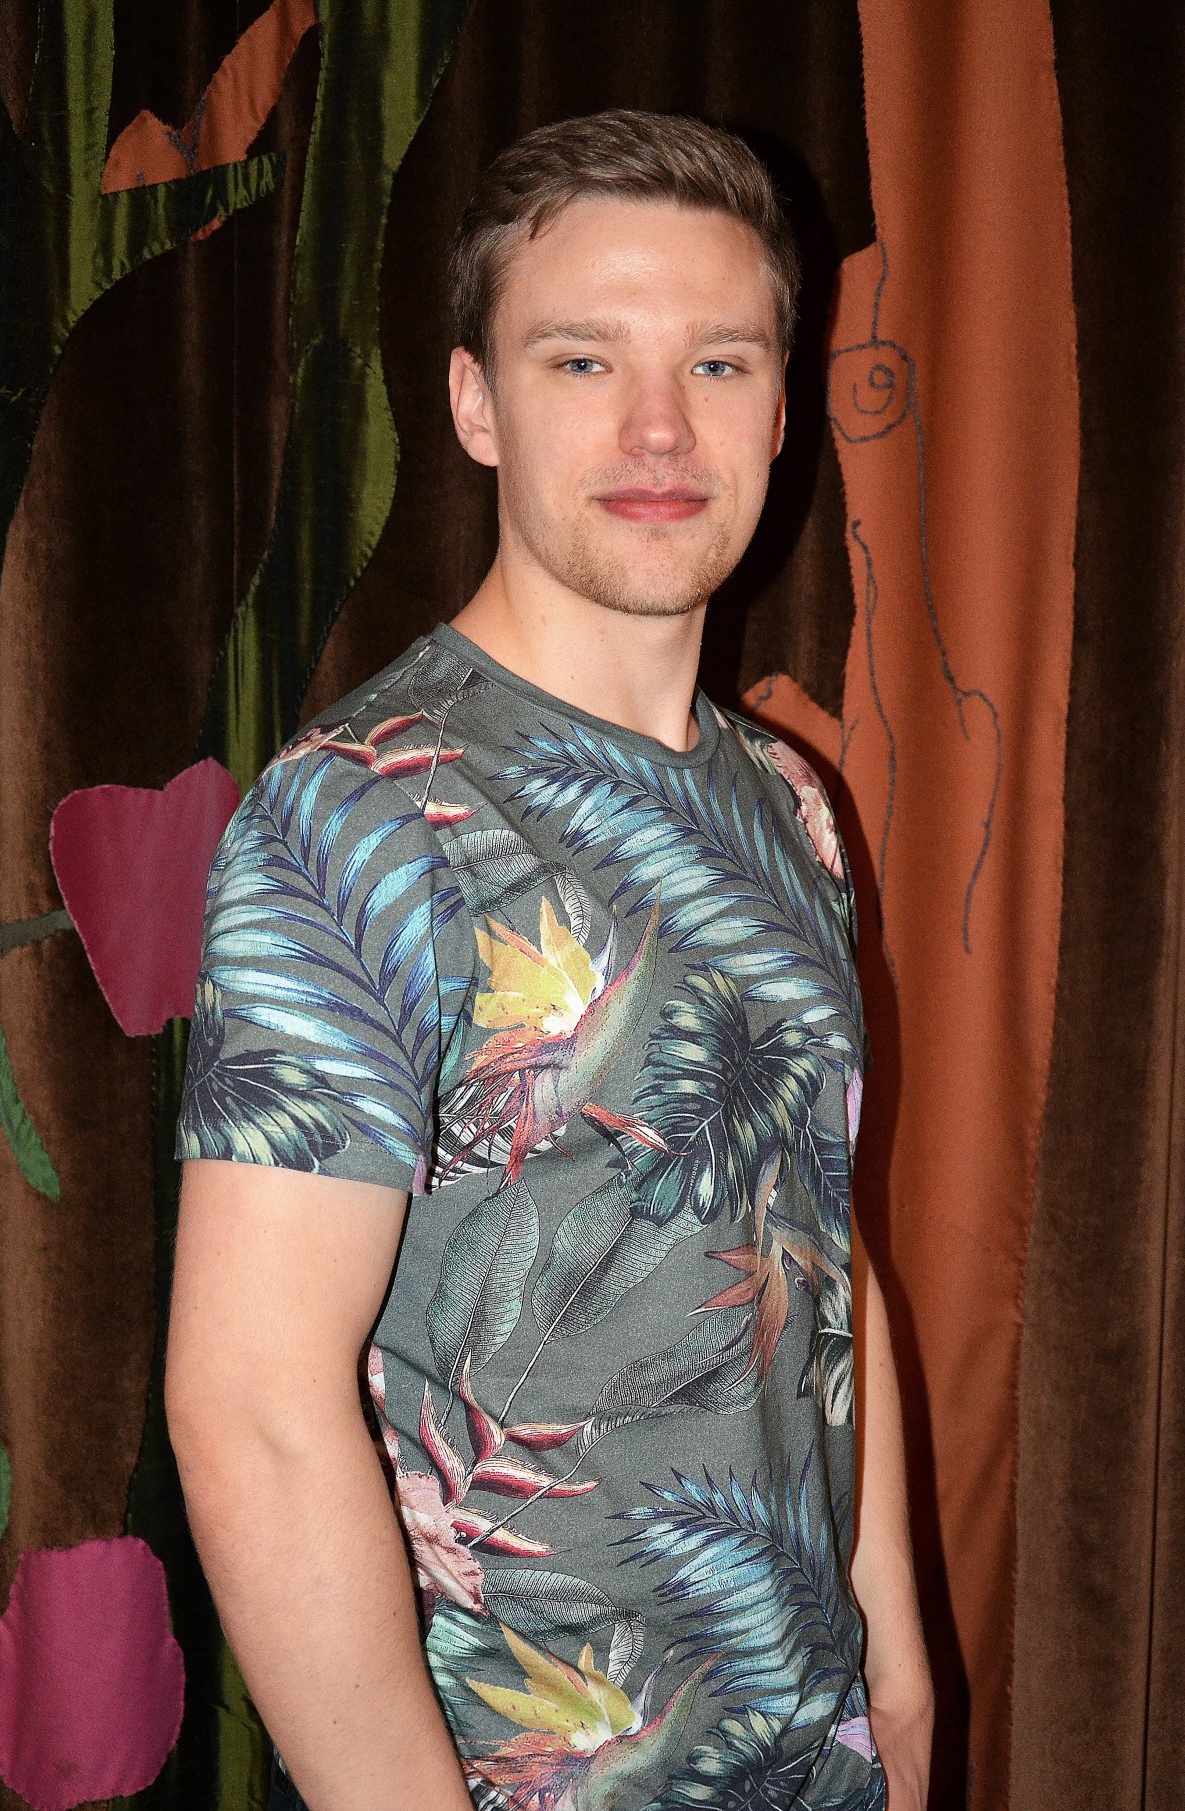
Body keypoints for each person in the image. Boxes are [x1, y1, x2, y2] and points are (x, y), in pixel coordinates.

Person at [166, 109, 933, 1811]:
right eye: (582, 359)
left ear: (782, 411)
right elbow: (253, 1413)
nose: (660, 427)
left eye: (719, 363)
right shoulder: (361, 814)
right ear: (474, 403)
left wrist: (897, 1656)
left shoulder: (792, 807)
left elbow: (817, 1235)